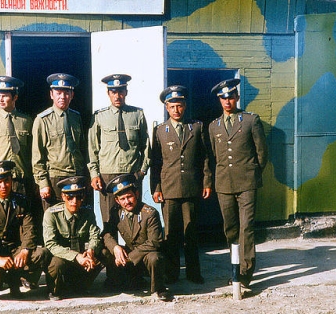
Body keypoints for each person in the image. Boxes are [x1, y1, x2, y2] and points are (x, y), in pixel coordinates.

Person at [208, 78, 268, 288]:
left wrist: (251, 174)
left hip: (247, 184)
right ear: (219, 100)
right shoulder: (213, 126)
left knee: (247, 227)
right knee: (231, 229)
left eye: (230, 97)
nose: (227, 102)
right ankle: (235, 265)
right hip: (224, 184)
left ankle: (244, 273)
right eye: (223, 98)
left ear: (237, 97)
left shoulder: (250, 120)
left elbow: (262, 154)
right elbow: (216, 157)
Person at [150, 85, 212, 284]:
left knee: (191, 232)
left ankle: (194, 273)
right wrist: (156, 188)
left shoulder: (197, 127)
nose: (176, 110)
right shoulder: (160, 130)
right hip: (169, 189)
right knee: (171, 234)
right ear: (166, 108)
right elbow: (156, 162)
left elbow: (205, 158)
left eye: (180, 106)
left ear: (185, 106)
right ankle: (172, 273)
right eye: (172, 106)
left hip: (192, 188)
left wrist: (207, 182)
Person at [0, 160, 51, 301]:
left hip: (14, 249)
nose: (3, 186)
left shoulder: (22, 201)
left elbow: (30, 229)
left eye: (6, 181)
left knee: (41, 254)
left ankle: (17, 280)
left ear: (11, 180)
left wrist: (25, 250)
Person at [0, 75, 42, 246]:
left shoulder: (26, 121)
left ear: (15, 97)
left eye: (5, 95)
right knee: (0, 224)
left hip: (22, 181)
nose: (1, 99)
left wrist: (36, 181)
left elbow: (33, 155)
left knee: (25, 225)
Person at [87, 74, 150, 227]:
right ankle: (112, 251)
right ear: (108, 93)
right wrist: (94, 174)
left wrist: (142, 171)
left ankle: (136, 251)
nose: (117, 95)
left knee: (134, 220)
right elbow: (92, 148)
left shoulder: (137, 115)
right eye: (113, 91)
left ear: (126, 92)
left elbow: (146, 145)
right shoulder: (99, 117)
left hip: (131, 173)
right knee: (109, 220)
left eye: (121, 91)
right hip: (107, 175)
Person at [103, 173, 172, 302]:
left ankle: (159, 288)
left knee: (155, 258)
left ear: (137, 194)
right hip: (130, 256)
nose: (127, 201)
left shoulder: (149, 213)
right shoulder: (116, 213)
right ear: (117, 200)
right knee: (105, 251)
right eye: (122, 199)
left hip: (145, 256)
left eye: (129, 196)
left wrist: (129, 258)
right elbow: (107, 234)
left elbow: (154, 242)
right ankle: (116, 281)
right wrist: (116, 248)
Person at [42, 176, 104, 301]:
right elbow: (51, 244)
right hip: (62, 257)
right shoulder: (52, 214)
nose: (74, 201)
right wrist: (76, 256)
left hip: (81, 259)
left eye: (79, 197)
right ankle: (54, 289)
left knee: (104, 253)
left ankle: (81, 285)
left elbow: (95, 235)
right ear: (63, 197)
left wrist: (91, 250)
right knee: (56, 263)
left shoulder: (88, 213)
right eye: (70, 197)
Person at [32, 73, 87, 211]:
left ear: (72, 95)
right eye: (58, 92)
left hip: (76, 176)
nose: (62, 97)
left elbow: (83, 149)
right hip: (55, 178)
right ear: (51, 94)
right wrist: (43, 183)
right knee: (55, 222)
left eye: (66, 92)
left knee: (78, 221)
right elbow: (37, 156)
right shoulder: (42, 120)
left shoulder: (76, 117)